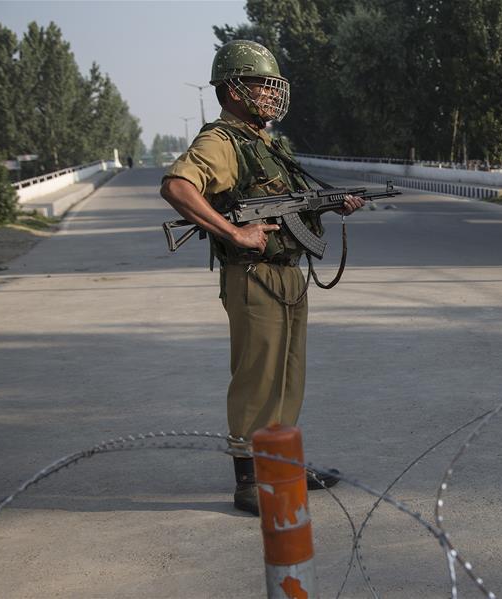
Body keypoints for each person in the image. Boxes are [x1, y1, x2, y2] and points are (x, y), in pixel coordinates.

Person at [159, 40, 364, 516]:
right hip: (253, 275)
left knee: (288, 378)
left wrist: (333, 203)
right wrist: (234, 231)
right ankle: (249, 481)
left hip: (288, 274)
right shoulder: (221, 141)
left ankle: (281, 468)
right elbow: (177, 185)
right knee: (257, 378)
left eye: (274, 88)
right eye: (261, 86)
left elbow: (288, 204)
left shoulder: (265, 143)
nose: (272, 96)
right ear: (232, 90)